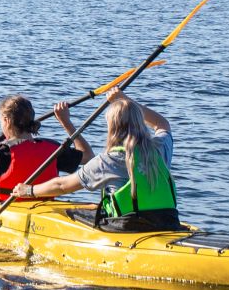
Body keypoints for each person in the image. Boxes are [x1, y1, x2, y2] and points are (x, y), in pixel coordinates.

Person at [10, 89, 181, 232]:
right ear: (140, 122)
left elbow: (62, 186)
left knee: (71, 214)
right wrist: (126, 99)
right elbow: (162, 124)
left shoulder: (109, 160)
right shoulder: (159, 148)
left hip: (127, 227)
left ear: (112, 127)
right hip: (168, 221)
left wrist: (29, 190)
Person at [0, 94, 87, 201]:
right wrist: (66, 122)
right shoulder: (53, 149)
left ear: (7, 121)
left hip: (4, 203)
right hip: (41, 205)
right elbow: (87, 157)